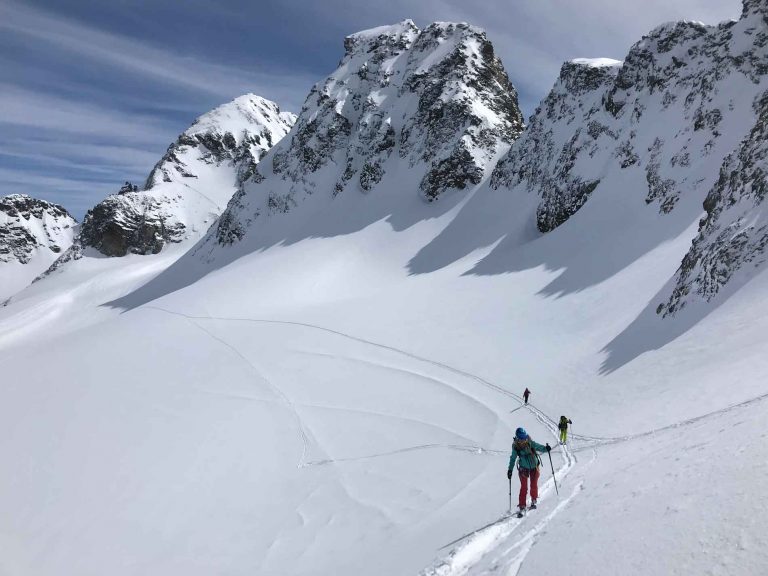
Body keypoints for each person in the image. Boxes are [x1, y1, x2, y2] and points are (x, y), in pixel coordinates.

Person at [507, 427, 550, 517]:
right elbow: (513, 458)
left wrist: (546, 448)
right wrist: (510, 469)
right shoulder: (516, 447)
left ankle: (534, 499)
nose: (524, 440)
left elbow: (538, 446)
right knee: (524, 487)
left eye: (525, 437)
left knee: (533, 484)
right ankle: (522, 505)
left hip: (534, 466)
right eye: (522, 438)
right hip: (523, 468)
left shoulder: (530, 442)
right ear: (518, 438)